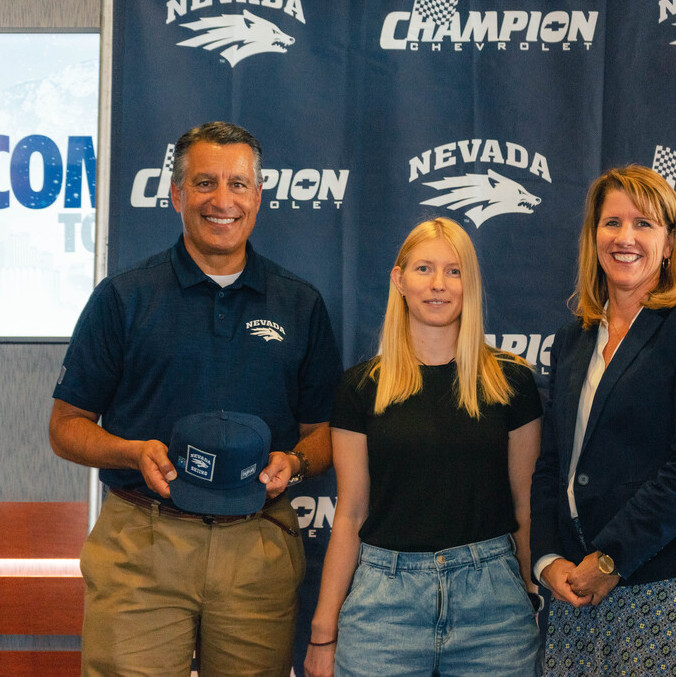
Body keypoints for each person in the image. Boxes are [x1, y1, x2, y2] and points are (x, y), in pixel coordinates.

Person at [49, 121, 343, 676]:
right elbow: (66, 425)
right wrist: (132, 452)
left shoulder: (300, 303)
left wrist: (298, 462)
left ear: (258, 196)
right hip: (143, 544)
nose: (222, 200)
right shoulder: (124, 297)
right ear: (177, 195)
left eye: (238, 184)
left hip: (257, 546)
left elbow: (327, 430)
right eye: (205, 183)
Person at [303, 217, 542, 677]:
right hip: (382, 608)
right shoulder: (360, 387)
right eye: (424, 269)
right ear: (399, 280)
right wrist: (322, 629)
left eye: (454, 271)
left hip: (493, 608)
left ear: (469, 284)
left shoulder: (511, 381)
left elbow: (525, 507)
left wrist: (531, 595)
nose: (438, 285)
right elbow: (351, 512)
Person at [530, 165, 676, 675]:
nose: (625, 237)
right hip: (577, 596)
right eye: (612, 223)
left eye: (644, 224)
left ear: (669, 243)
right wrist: (547, 561)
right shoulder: (571, 342)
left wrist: (610, 561)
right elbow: (553, 464)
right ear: (593, 237)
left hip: (669, 589)